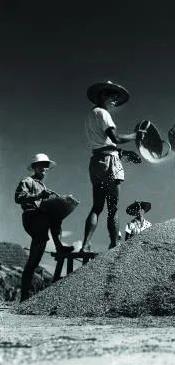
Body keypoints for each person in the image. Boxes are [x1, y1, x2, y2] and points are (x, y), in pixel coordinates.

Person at [81, 81, 140, 251]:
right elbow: (116, 138)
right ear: (103, 96)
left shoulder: (91, 115)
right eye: (112, 96)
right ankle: (114, 244)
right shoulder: (104, 113)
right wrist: (136, 136)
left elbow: (104, 144)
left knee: (97, 206)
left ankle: (85, 245)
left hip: (96, 162)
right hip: (109, 163)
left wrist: (125, 153)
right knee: (113, 208)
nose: (114, 100)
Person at [15, 153, 74, 302]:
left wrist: (58, 200)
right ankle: (24, 296)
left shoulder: (42, 185)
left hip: (41, 218)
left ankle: (59, 245)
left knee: (35, 259)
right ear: (34, 167)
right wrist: (39, 196)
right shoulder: (27, 181)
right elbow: (18, 198)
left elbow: (44, 202)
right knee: (50, 216)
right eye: (41, 165)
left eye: (46, 166)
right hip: (31, 217)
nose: (45, 168)